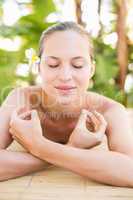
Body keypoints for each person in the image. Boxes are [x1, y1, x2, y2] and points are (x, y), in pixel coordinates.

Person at [0, 21, 133, 187]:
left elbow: (130, 171)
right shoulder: (21, 99)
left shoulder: (109, 110)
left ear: (91, 70)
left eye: (77, 65)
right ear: (39, 67)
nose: (65, 76)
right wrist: (74, 147)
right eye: (53, 64)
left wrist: (39, 146)